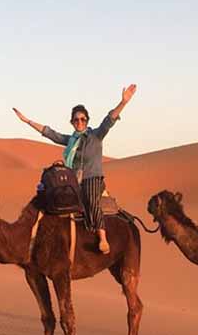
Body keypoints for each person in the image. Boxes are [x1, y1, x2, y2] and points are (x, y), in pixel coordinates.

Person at [13, 84, 137, 254]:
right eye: (76, 120)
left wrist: (123, 102)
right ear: (72, 122)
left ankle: (102, 238)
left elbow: (109, 121)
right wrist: (27, 121)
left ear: (87, 121)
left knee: (90, 200)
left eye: (83, 119)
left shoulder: (95, 136)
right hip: (74, 181)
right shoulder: (71, 140)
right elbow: (51, 134)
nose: (79, 122)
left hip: (92, 179)